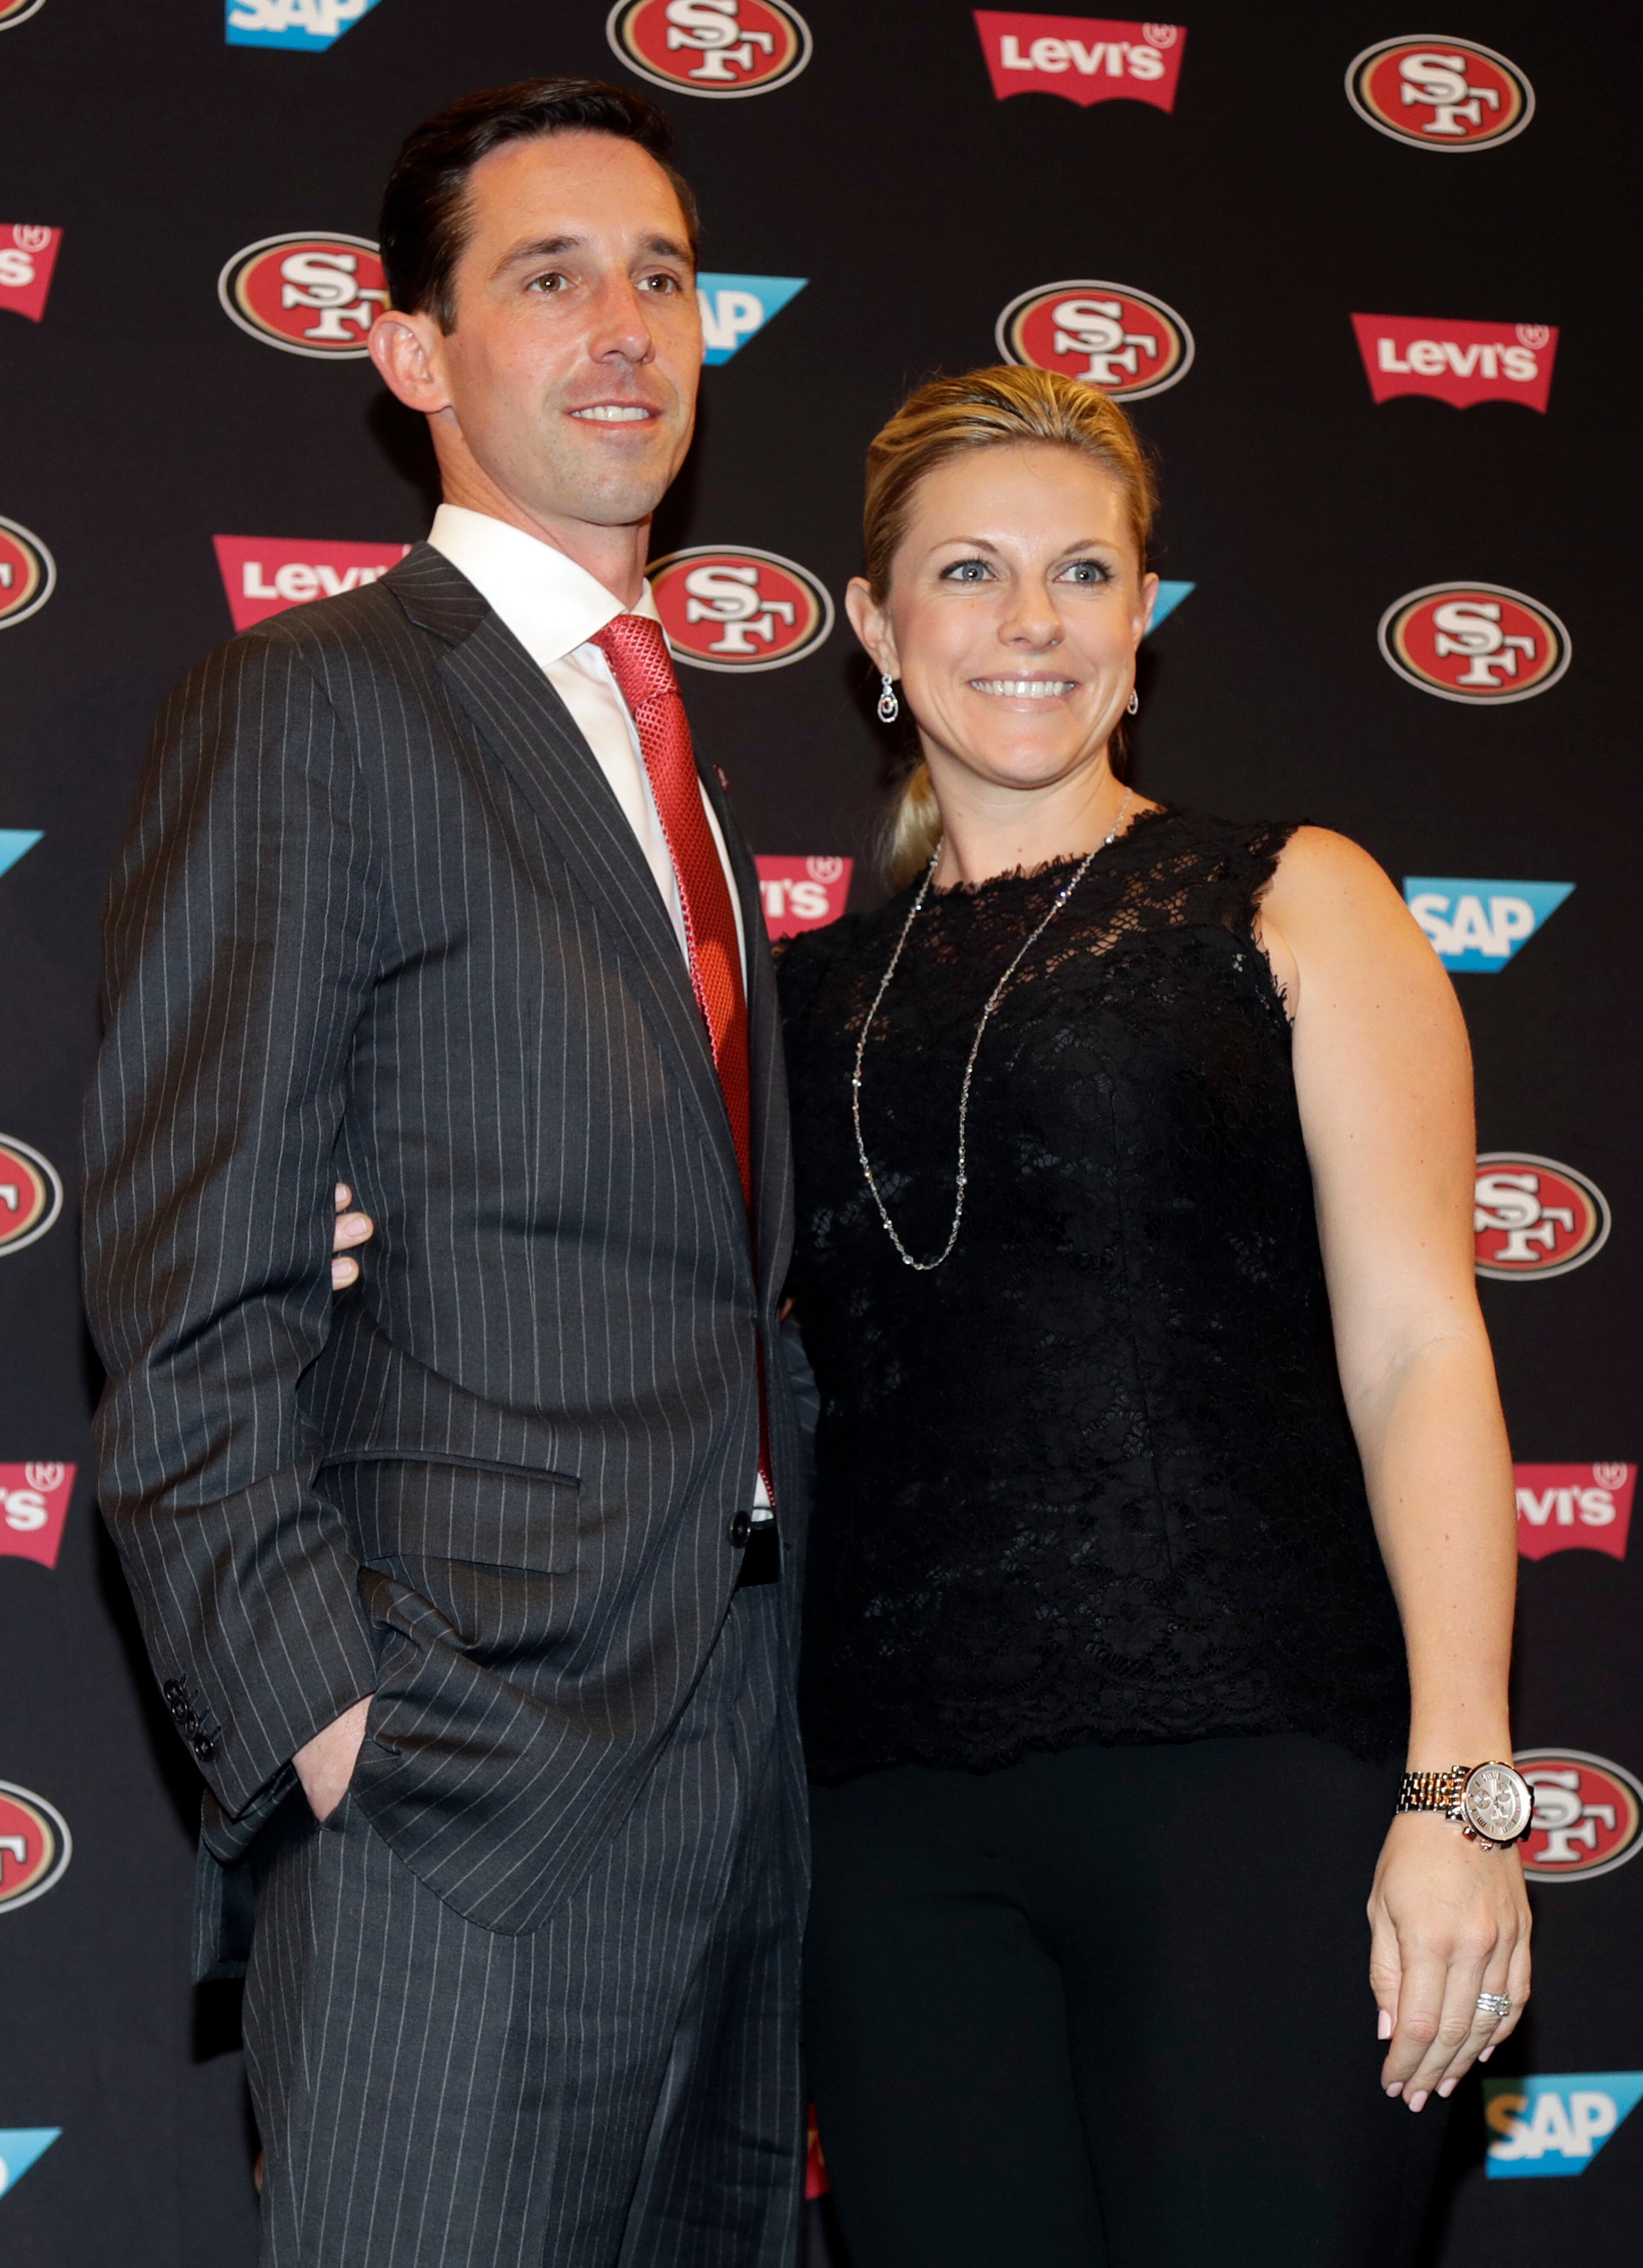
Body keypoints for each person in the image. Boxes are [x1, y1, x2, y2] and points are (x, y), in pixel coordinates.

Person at [82, 79, 805, 2268]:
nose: (624, 328)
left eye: (663, 275)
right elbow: (188, 1284)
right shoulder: (312, 702)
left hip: (754, 1771)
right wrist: (338, 1729)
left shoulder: (676, 753)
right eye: (549, 276)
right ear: (412, 352)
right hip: (460, 1780)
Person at [776, 366, 1532, 2267]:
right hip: (890, 1839)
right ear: (875, 626)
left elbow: (1422, 1344)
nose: (1030, 622)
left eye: (1083, 570)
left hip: (1258, 1794)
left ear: (1141, 618)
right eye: (969, 571)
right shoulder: (786, 999)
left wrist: (1464, 1788)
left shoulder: (1286, 898)